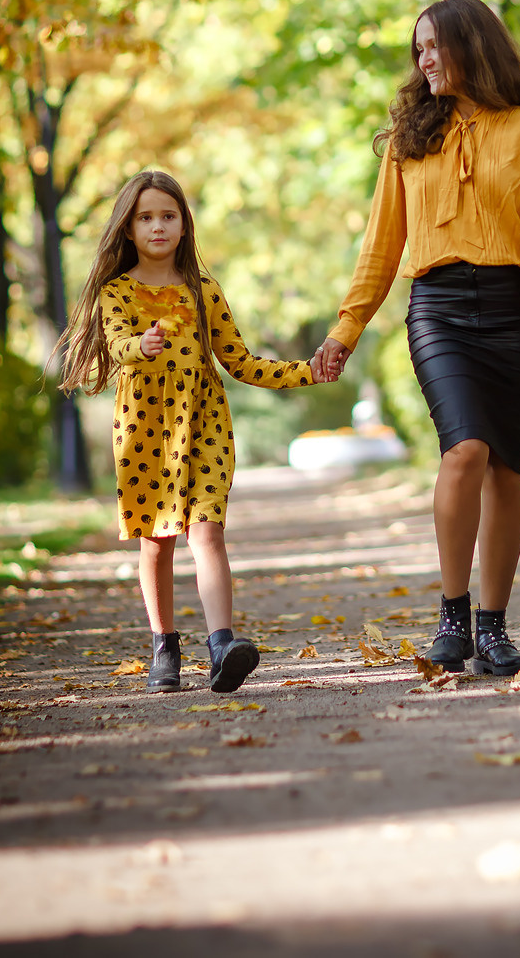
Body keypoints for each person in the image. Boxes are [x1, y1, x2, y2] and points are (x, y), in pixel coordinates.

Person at [315, 0, 520, 676]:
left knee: (507, 467)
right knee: (466, 450)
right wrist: (346, 328)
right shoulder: (408, 137)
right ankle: (453, 617)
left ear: (471, 44)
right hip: (439, 307)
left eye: (432, 46)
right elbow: (381, 245)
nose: (423, 60)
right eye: (417, 50)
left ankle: (494, 629)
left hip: (517, 310)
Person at [59, 170, 327, 695]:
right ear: (128, 228)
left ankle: (222, 644)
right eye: (145, 217)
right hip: (145, 429)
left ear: (184, 225)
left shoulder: (205, 291)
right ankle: (164, 647)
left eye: (168, 215)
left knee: (207, 532)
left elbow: (241, 362)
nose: (157, 226)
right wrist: (142, 345)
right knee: (157, 541)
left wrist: (306, 372)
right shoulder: (118, 293)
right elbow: (117, 345)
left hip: (205, 423)